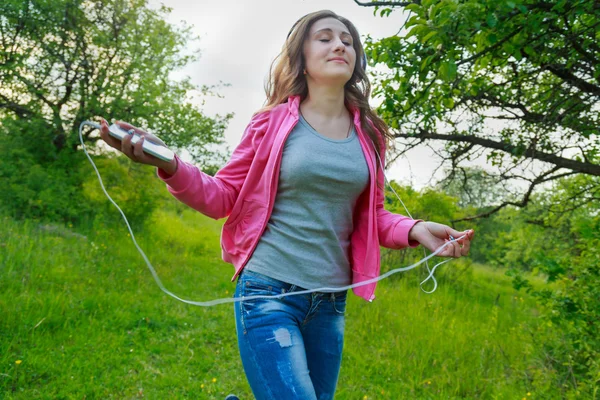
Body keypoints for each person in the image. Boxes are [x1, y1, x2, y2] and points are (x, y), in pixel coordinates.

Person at [99, 9, 475, 400]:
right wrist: (171, 166)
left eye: (347, 40)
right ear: (302, 57)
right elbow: (223, 196)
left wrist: (415, 229)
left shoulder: (370, 134)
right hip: (267, 292)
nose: (339, 45)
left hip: (330, 303)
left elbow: (373, 215)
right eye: (325, 37)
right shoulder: (271, 123)